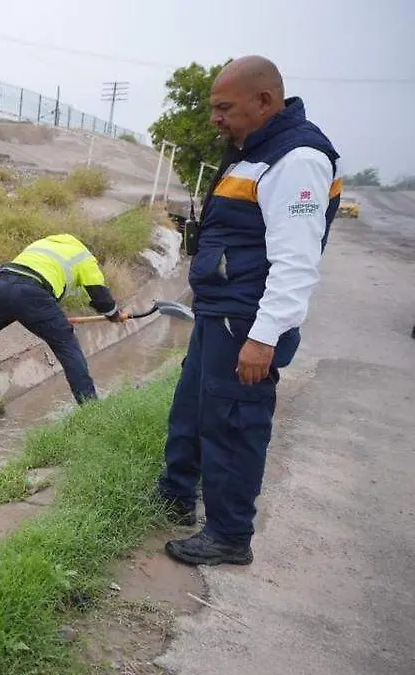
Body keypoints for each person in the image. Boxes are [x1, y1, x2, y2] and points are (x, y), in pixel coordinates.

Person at [156, 56, 341, 566]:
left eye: (224, 107)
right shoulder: (250, 150)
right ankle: (174, 493)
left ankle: (229, 535)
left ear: (265, 101)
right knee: (193, 409)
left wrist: (264, 338)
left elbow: (296, 262)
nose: (216, 117)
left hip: (247, 322)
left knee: (233, 426)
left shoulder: (296, 160)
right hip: (221, 313)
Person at [0, 233, 129, 404]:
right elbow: (99, 295)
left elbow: (38, 275)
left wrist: (54, 314)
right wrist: (114, 315)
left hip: (3, 284)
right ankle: (90, 407)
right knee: (67, 346)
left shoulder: (44, 243)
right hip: (33, 293)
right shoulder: (84, 258)